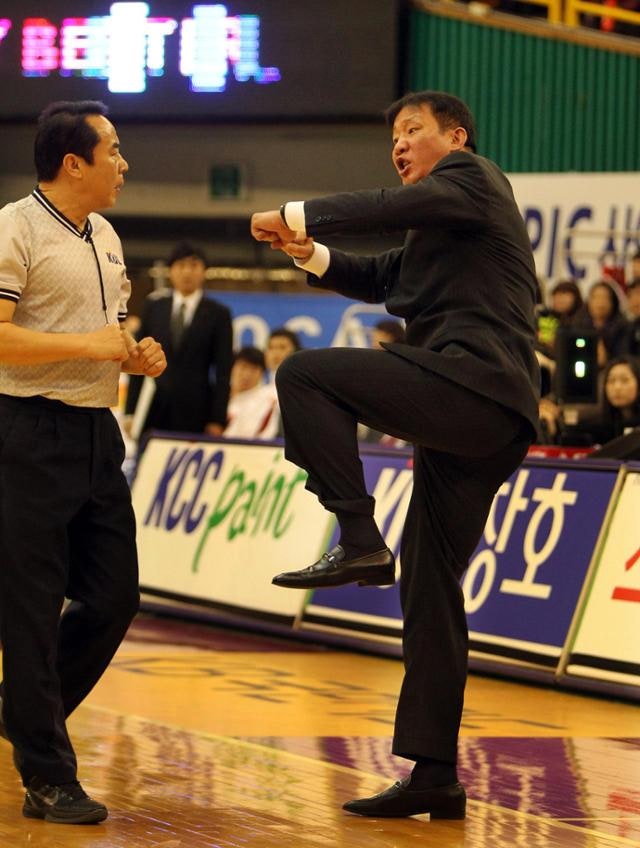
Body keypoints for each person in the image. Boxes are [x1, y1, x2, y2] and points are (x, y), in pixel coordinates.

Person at [251, 90, 539, 820]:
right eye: (394, 139)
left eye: (413, 132)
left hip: (476, 385)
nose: (400, 146)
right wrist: (307, 252)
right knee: (430, 583)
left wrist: (296, 213)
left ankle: (355, 536)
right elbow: (382, 278)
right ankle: (434, 773)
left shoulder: (473, 179)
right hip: (481, 412)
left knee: (305, 373)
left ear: (457, 137)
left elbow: (380, 206)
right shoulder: (438, 229)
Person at [0, 100, 167, 824]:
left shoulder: (105, 235)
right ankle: (48, 775)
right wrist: (89, 347)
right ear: (75, 162)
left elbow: (106, 334)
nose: (124, 163)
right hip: (27, 433)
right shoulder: (14, 228)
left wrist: (135, 355)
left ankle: (23, 714)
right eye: (115, 150)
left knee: (114, 598)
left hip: (99, 435)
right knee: (30, 614)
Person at [124, 241, 232, 439]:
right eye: (181, 265)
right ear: (171, 271)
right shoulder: (154, 307)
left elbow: (223, 371)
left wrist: (217, 419)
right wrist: (131, 411)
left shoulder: (218, 314)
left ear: (204, 271)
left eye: (194, 266)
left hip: (197, 411)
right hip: (153, 408)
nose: (187, 272)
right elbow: (137, 360)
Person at [223, 346, 279, 439]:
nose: (247, 374)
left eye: (254, 369)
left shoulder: (266, 398)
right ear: (232, 367)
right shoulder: (216, 398)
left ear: (262, 373)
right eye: (243, 366)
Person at [572, 280, 629, 367]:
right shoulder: (577, 325)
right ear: (589, 301)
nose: (601, 302)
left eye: (605, 298)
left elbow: (624, 357)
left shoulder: (623, 328)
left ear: (613, 302)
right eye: (596, 297)